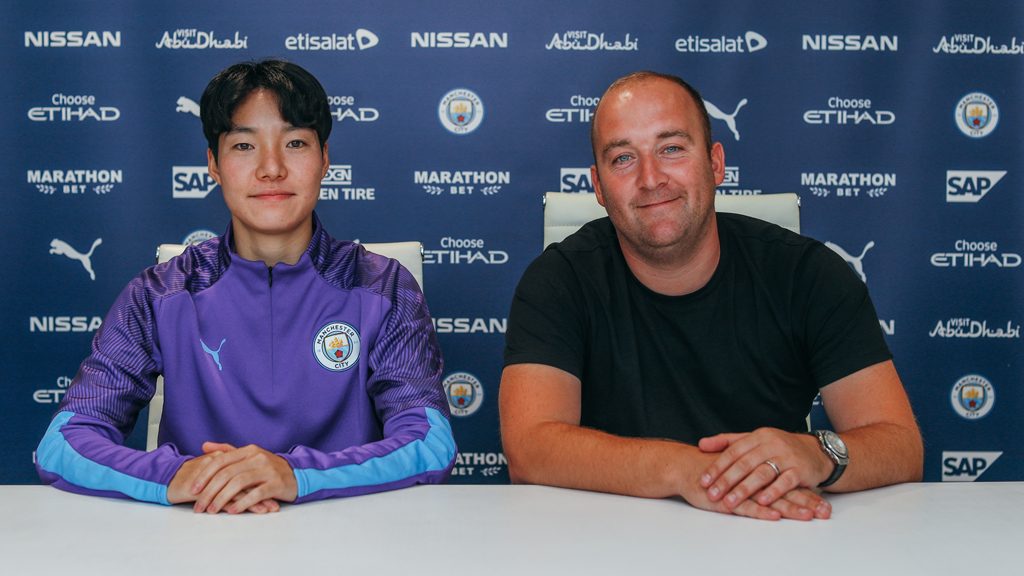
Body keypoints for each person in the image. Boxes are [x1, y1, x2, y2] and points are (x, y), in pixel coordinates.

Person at [36, 60, 456, 514]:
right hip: (198, 536)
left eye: (295, 142)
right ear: (213, 164)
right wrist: (176, 476)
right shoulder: (159, 293)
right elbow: (63, 444)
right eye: (243, 145)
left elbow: (429, 442)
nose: (271, 167)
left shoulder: (382, 286)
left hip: (345, 536)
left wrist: (295, 475)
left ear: (325, 159)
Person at [500, 71, 922, 521]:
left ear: (716, 164)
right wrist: (686, 470)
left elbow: (902, 447)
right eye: (623, 158)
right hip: (610, 537)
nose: (650, 177)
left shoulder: (809, 273)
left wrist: (818, 454)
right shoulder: (558, 280)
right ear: (599, 186)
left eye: (672, 149)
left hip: (771, 533)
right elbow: (530, 449)